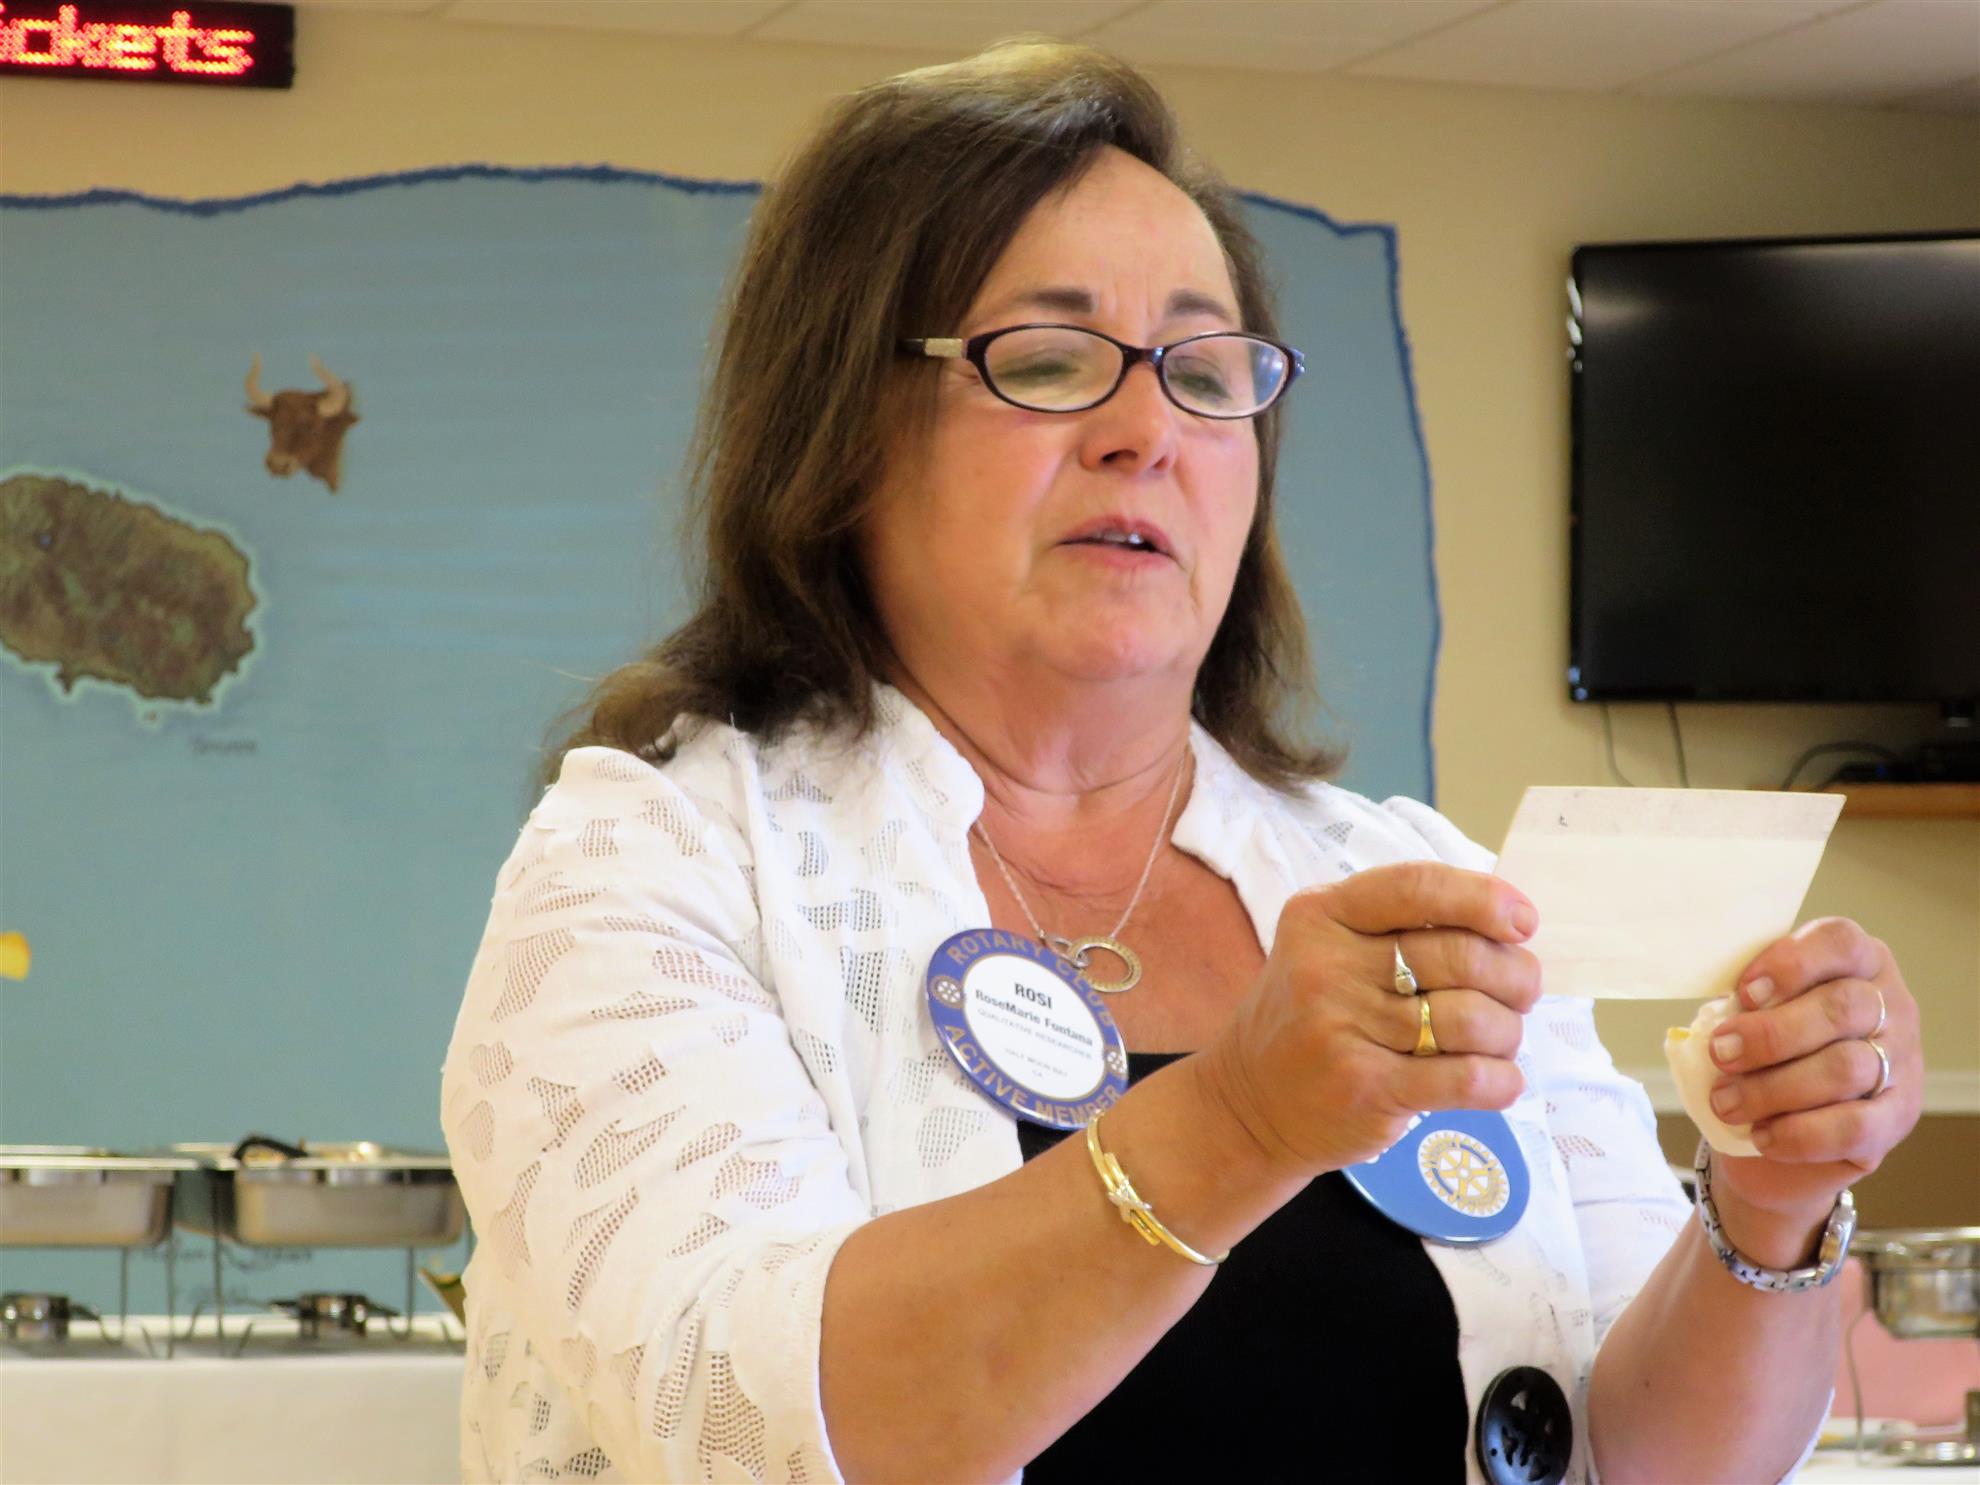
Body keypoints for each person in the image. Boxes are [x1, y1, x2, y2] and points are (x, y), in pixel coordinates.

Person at [439, 39, 1923, 1484]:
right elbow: (748, 1424)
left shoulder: (1418, 881)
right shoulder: (657, 866)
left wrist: (1771, 1202)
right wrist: (1238, 1120)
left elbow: (1643, 1461)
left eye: (1207, 374)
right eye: (1051, 360)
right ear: (839, 428)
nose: (1147, 430)